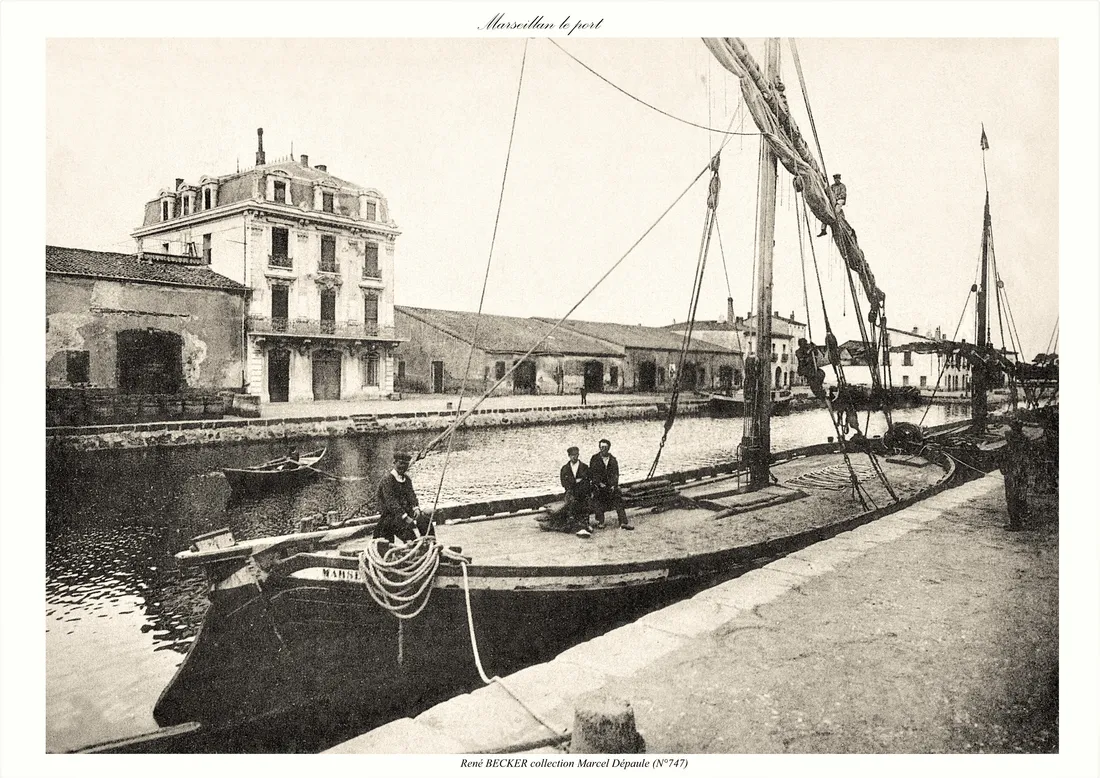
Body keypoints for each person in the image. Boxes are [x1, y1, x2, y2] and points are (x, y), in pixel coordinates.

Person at [373, 452, 433, 543]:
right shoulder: (387, 480)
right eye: (400, 463)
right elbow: (391, 502)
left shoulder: (407, 480)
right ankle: (412, 544)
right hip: (391, 516)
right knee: (410, 538)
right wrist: (405, 517)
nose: (403, 467)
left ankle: (430, 543)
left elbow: (411, 495)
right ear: (394, 463)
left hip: (405, 512)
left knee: (424, 520)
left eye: (406, 464)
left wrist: (416, 508)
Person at [541, 446, 594, 538]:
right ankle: (578, 526)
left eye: (576, 455)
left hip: (582, 492)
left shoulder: (585, 467)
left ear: (578, 455)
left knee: (585, 503)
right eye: (572, 455)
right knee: (572, 503)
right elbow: (564, 483)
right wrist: (575, 482)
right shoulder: (565, 469)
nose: (574, 457)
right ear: (569, 456)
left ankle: (585, 524)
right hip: (570, 492)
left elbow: (587, 481)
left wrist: (577, 483)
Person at [589, 439, 633, 530]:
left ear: (608, 448)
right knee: (597, 497)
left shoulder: (613, 460)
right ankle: (600, 521)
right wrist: (599, 483)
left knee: (618, 497)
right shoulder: (594, 459)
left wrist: (613, 485)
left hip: (610, 487)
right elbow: (592, 474)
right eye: (601, 447)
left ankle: (623, 522)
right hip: (598, 486)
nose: (603, 449)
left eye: (605, 447)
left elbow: (616, 474)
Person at [1003, 420, 1031, 531]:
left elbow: (1007, 437)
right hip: (1022, 471)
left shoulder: (1010, 437)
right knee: (1021, 495)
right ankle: (1022, 517)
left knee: (1011, 497)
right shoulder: (1025, 439)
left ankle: (1015, 523)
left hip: (1013, 472)